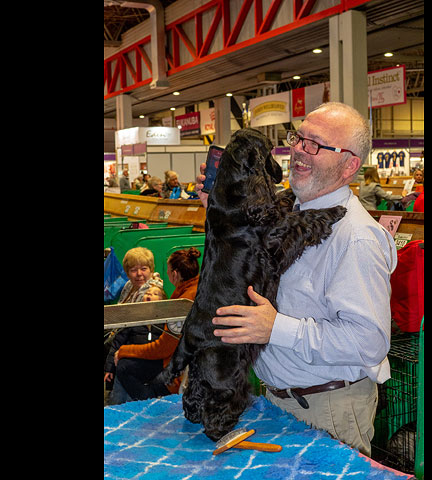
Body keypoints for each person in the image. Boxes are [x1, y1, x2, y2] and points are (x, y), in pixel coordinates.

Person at [194, 103, 397, 457]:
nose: (300, 150)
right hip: (279, 400)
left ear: (350, 164)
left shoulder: (356, 238)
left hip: (327, 411)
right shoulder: (293, 209)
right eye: (299, 138)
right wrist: (220, 205)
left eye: (316, 145)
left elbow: (369, 342)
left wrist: (276, 329)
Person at [114, 247, 201, 401]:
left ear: (174, 274)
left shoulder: (182, 303)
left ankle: (147, 404)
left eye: (167, 271)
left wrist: (124, 350)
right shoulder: (196, 289)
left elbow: (162, 349)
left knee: (124, 366)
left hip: (183, 364)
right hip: (185, 357)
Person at [104, 248, 165, 404]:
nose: (139, 274)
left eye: (144, 269)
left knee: (116, 357)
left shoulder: (151, 292)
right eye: (133, 270)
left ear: (151, 270)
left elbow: (131, 325)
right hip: (123, 332)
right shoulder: (129, 286)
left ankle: (117, 400)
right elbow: (120, 311)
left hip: (139, 342)